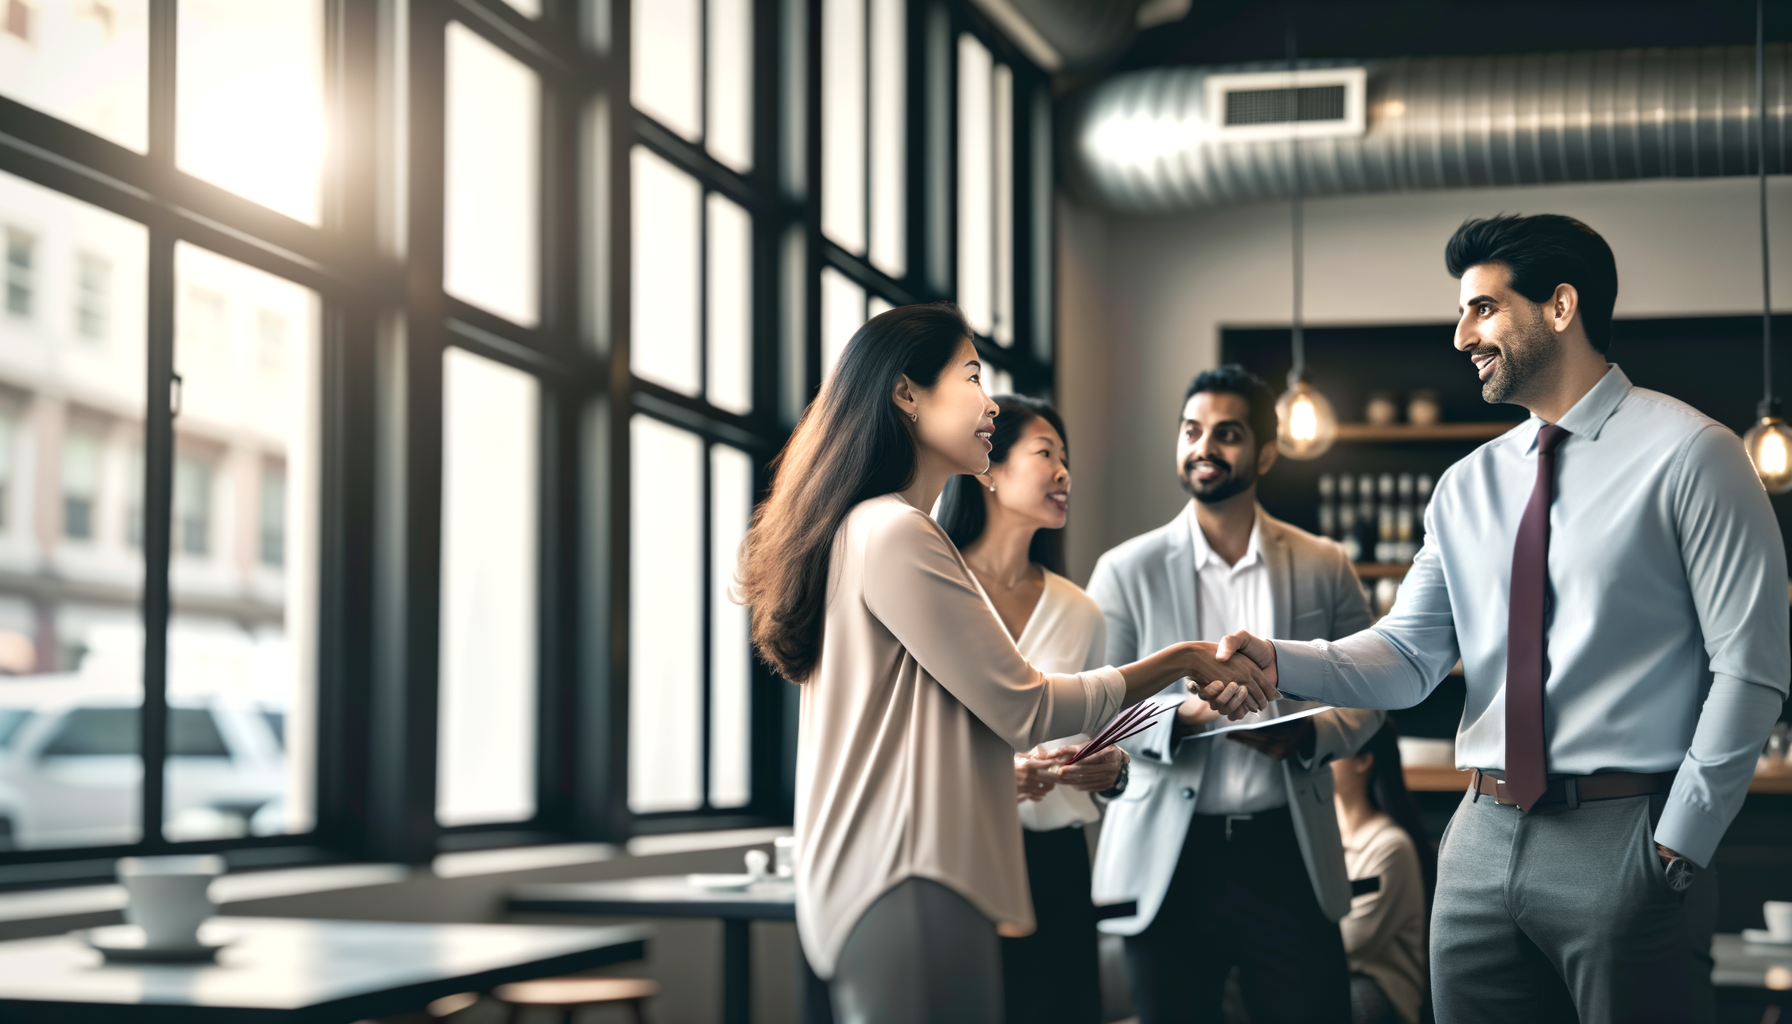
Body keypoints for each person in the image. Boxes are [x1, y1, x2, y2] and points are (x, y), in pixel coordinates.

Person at [1206, 214, 1790, 1024]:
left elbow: (1752, 668)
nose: (1460, 336)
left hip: (1626, 835)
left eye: (1481, 308)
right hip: (1478, 840)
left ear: (1559, 306)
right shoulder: (1466, 485)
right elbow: (1407, 658)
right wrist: (1276, 660)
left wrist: (1677, 844)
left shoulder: (1696, 455)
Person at [735, 303, 1273, 1024]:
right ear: (906, 394)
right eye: (971, 376)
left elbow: (948, 733)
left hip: (895, 875)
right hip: (908, 874)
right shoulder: (897, 533)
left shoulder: (871, 529)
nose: (991, 403)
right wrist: (1180, 660)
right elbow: (1028, 710)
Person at [1087, 365, 1384, 1024]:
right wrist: (1182, 719)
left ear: (1266, 452)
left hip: (1287, 852)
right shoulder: (1124, 569)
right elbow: (1098, 710)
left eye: (1227, 434)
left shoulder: (1323, 562)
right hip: (1168, 860)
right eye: (1192, 431)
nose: (1204, 448)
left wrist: (1307, 735)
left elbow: (1372, 687)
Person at [936, 394, 1122, 1024]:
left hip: (1056, 865)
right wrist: (989, 778)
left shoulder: (1081, 611)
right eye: (1047, 454)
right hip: (951, 852)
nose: (1065, 473)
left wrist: (1112, 768)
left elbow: (1098, 737)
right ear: (987, 468)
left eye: (1066, 458)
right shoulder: (929, 585)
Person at [1331, 720, 1430, 1024]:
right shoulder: (1321, 836)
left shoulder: (1390, 846)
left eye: (1329, 749)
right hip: (1321, 970)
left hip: (1378, 992)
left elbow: (1350, 944)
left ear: (1363, 760)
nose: (1315, 757)